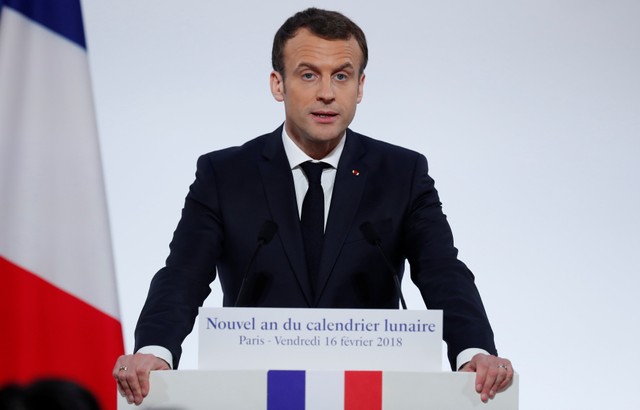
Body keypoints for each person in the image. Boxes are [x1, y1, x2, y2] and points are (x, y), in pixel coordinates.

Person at [114, 7, 514, 406]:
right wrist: (157, 350)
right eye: (309, 74)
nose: (327, 92)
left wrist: (472, 351)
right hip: (255, 393)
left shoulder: (402, 173)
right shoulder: (225, 174)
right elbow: (183, 275)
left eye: (341, 75)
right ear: (278, 84)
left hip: (368, 393)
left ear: (360, 87)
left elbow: (442, 271)